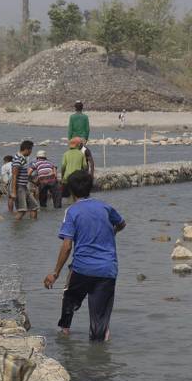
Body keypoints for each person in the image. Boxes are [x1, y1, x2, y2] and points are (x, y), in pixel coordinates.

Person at [43, 171, 126, 341]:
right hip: (107, 270)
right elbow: (121, 223)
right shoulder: (105, 207)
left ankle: (64, 332)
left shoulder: (72, 211)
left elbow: (67, 246)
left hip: (81, 269)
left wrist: (55, 273)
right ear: (91, 188)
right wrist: (111, 233)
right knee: (99, 324)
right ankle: (99, 359)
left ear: (71, 191)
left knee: (69, 299)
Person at [10, 140, 38, 220]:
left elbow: (24, 174)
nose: (31, 152)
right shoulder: (18, 159)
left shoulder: (23, 159)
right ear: (27, 149)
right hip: (19, 188)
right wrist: (14, 192)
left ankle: (31, 229)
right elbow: (14, 176)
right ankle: (15, 229)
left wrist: (33, 181)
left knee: (34, 207)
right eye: (31, 150)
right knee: (22, 211)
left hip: (24, 187)